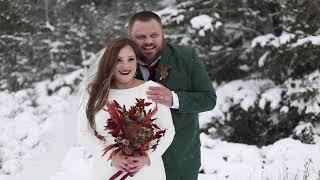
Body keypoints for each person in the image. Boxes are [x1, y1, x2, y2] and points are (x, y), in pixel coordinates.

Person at [127, 11, 217, 180]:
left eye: (154, 35)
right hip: (135, 162)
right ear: (130, 37)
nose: (148, 41)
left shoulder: (187, 56)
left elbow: (209, 99)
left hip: (179, 158)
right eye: (141, 37)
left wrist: (174, 99)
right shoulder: (120, 62)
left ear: (163, 33)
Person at [77, 37, 175, 180]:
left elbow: (168, 131)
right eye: (118, 60)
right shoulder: (94, 93)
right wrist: (111, 156)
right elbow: (84, 132)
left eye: (130, 59)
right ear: (109, 62)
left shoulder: (152, 89)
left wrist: (148, 158)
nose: (125, 65)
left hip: (147, 172)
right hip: (107, 169)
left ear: (137, 61)